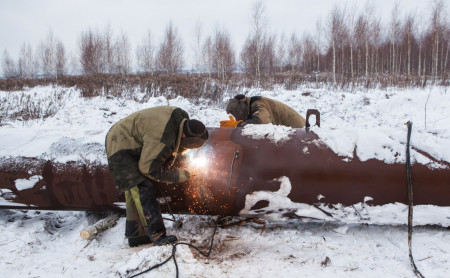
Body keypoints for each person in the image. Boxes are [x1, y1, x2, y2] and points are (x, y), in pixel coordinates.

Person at [105, 106, 208, 247]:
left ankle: (137, 236)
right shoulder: (164, 137)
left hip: (127, 138)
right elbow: (148, 169)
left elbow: (165, 152)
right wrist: (177, 175)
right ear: (185, 136)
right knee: (143, 188)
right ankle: (158, 236)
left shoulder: (179, 122)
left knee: (133, 191)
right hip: (121, 145)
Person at [225, 94, 306, 128]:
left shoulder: (258, 104)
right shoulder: (253, 104)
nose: (236, 117)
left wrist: (239, 125)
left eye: (236, 113)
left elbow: (262, 122)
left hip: (303, 132)